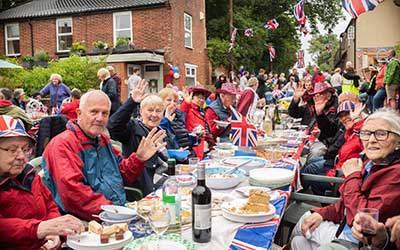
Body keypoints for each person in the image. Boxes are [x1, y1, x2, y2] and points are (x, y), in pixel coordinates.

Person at [42, 90, 166, 221]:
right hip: (86, 223)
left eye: (105, 113)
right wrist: (117, 212)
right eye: (94, 112)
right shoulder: (63, 145)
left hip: (116, 212)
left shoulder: (101, 140)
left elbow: (122, 173)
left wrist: (139, 158)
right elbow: (74, 196)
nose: (100, 118)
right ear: (79, 113)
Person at [291, 108, 400, 250]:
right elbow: (344, 204)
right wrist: (322, 213)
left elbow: (364, 220)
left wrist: (352, 176)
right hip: (342, 225)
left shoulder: (395, 174)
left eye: (381, 134)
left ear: (398, 142)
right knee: (299, 240)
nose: (372, 140)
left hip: (355, 241)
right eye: (366, 133)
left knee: (302, 223)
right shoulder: (372, 163)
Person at [0, 115, 84, 250]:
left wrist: (54, 233)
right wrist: (39, 229)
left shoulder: (30, 176)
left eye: (25, 149)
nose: (21, 157)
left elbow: (50, 206)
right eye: (12, 150)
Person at [108, 81, 171, 196]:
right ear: (141, 111)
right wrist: (132, 101)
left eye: (158, 111)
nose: (154, 115)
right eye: (150, 110)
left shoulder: (160, 131)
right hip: (142, 190)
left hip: (164, 183)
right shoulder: (132, 128)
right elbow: (113, 126)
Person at [301, 101, 364, 195]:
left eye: (348, 114)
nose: (344, 118)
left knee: (309, 170)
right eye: (341, 116)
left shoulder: (361, 132)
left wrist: (357, 120)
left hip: (342, 176)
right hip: (336, 166)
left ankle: (301, 194)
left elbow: (362, 138)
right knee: (310, 163)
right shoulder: (350, 132)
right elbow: (332, 138)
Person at [159, 87, 197, 159]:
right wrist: (166, 120)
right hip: (171, 160)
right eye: (169, 100)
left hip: (186, 155)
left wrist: (196, 137)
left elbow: (184, 139)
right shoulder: (158, 117)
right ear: (161, 101)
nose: (172, 103)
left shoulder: (178, 116)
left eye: (175, 101)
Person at [179, 85, 213, 159]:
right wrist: (186, 102)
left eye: (203, 98)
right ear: (192, 97)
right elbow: (180, 113)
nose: (201, 100)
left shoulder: (202, 112)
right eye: (198, 97)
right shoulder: (188, 109)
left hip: (203, 149)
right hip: (192, 148)